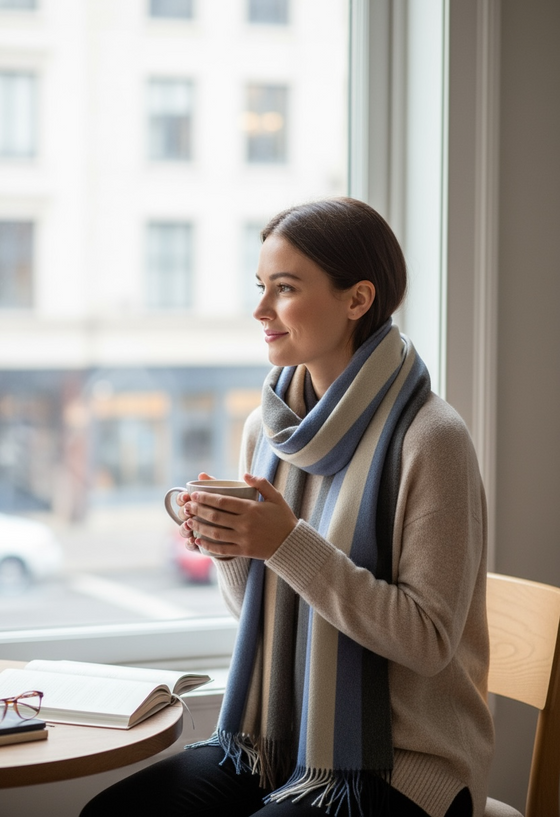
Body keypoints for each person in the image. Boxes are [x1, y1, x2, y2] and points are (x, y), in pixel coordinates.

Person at [80, 198, 494, 817]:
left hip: (405, 763)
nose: (260, 310)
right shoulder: (268, 428)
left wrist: (283, 542)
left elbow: (428, 642)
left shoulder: (431, 438)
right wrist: (230, 546)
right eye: (260, 287)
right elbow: (259, 609)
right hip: (283, 741)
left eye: (285, 288)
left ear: (357, 300)